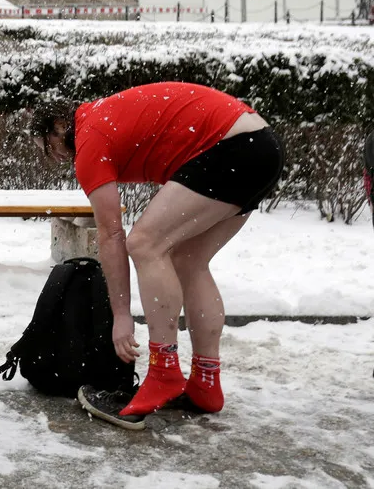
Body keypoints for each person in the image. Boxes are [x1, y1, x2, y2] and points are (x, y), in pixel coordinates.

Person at [30, 82, 284, 428]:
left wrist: (121, 316)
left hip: (231, 147)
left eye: (48, 146)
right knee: (188, 261)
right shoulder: (106, 116)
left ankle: (164, 371)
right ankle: (206, 383)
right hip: (261, 146)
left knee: (144, 243)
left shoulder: (90, 135)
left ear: (59, 126)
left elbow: (111, 234)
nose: (53, 157)